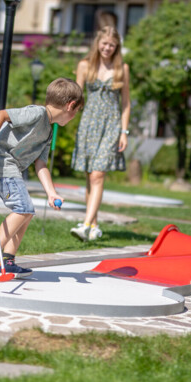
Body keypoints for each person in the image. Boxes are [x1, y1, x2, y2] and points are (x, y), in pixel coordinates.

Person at [0, 78, 85, 284]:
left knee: (27, 211)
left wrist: (51, 192)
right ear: (71, 106)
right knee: (24, 209)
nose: (74, 116)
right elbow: (0, 114)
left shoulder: (48, 131)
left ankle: (7, 260)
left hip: (11, 168)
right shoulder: (37, 113)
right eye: (76, 111)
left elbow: (40, 164)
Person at [70, 25, 131, 241]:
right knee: (90, 175)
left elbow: (125, 103)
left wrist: (124, 131)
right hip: (89, 123)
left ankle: (85, 224)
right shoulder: (85, 65)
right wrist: (64, 114)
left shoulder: (122, 68)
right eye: (104, 44)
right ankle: (94, 226)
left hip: (112, 124)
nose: (107, 48)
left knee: (98, 174)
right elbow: (76, 96)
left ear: (117, 47)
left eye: (112, 45)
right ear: (98, 43)